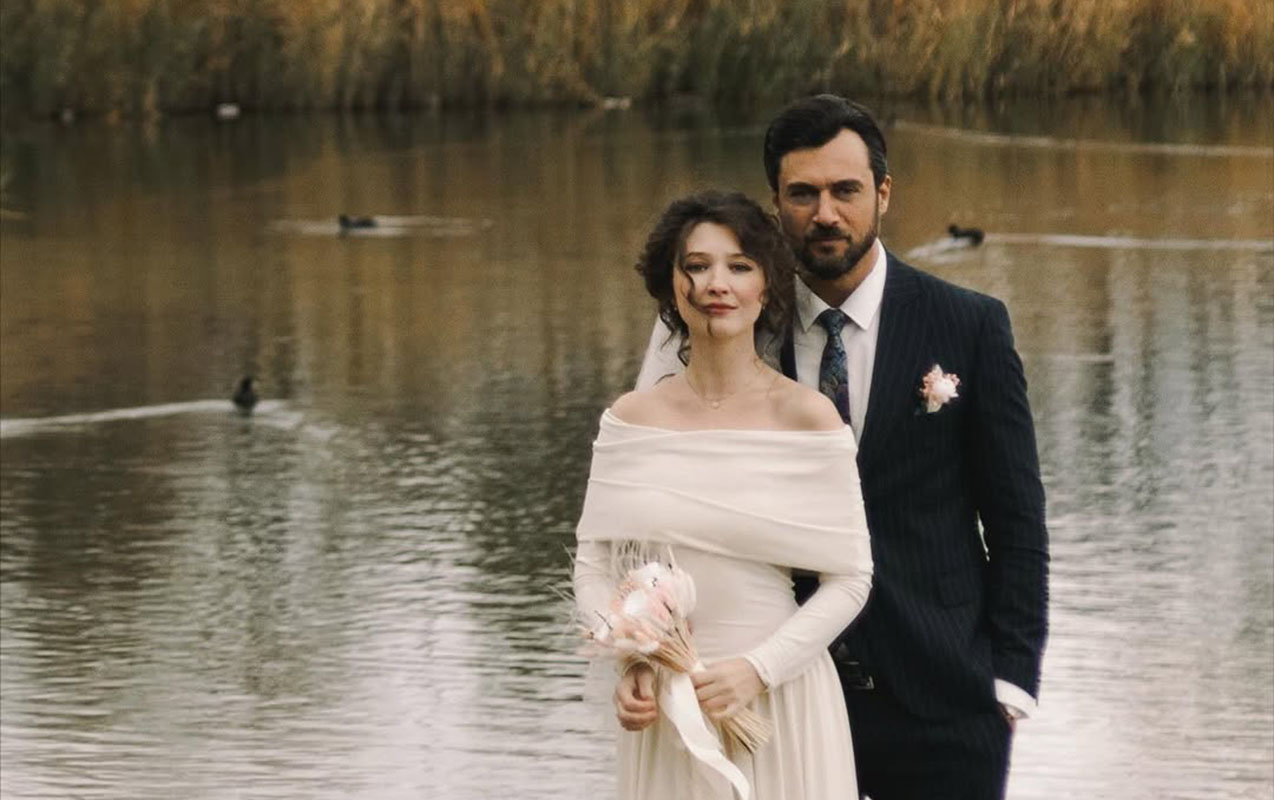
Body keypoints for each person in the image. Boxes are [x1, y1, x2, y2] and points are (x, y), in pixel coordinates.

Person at [636, 96, 1049, 799]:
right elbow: (667, 514)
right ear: (776, 202)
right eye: (803, 194)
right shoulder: (737, 329)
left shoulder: (970, 326)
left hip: (944, 702)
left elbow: (1017, 523)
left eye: (845, 191)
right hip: (776, 702)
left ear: (883, 193)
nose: (825, 213)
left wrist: (1009, 683)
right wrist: (649, 653)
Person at [574, 190, 874, 798]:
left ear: (766, 287)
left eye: (739, 267)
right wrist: (630, 658)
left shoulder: (807, 418)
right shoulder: (630, 419)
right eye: (697, 266)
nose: (717, 284)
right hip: (667, 703)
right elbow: (594, 563)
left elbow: (851, 579)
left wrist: (757, 671)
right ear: (671, 285)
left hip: (779, 699)